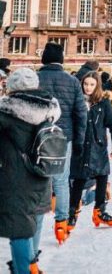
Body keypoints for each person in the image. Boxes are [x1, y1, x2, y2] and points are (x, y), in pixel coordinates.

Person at [0, 68, 61, 274]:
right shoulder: (49, 110)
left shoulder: (6, 113)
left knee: (19, 232)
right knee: (29, 226)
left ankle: (23, 270)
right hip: (41, 176)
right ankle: (27, 265)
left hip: (14, 179)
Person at [35, 41, 87, 245]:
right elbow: (80, 114)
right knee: (61, 180)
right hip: (63, 137)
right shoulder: (72, 81)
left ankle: (37, 217)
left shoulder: (36, 79)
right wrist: (79, 141)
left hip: (38, 137)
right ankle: (61, 223)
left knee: (39, 179)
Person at [68, 71, 112, 234]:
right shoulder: (76, 101)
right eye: (86, 84)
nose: (88, 87)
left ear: (97, 86)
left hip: (98, 145)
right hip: (80, 146)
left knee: (102, 176)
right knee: (79, 180)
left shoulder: (103, 103)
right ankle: (72, 212)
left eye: (92, 84)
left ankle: (99, 211)